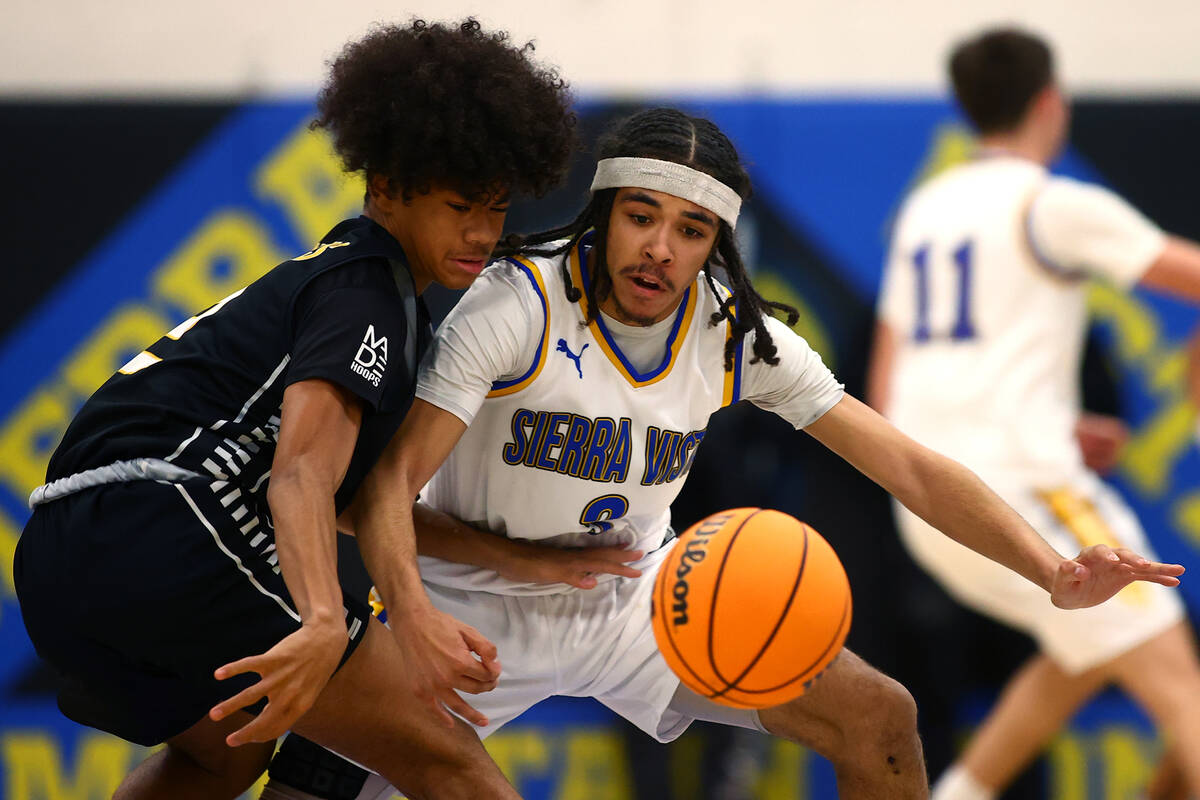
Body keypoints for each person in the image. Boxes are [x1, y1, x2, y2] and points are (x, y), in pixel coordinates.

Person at [264, 107, 1182, 800]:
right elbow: (382, 489)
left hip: (637, 598)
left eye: (691, 230)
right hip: (468, 614)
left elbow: (907, 464)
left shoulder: (731, 330)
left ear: (716, 245)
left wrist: (1052, 569)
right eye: (641, 217)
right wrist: (419, 615)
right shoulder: (518, 304)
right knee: (303, 789)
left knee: (881, 717)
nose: (660, 249)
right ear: (606, 212)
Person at [12, 18, 575, 800]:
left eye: (495, 209)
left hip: (61, 551)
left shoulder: (346, 286)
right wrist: (318, 616)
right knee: (448, 760)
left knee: (227, 757)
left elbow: (360, 503)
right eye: (458, 207)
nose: (481, 234)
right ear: (386, 188)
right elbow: (301, 473)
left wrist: (533, 562)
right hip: (169, 523)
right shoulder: (366, 290)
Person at [867, 27, 1200, 800]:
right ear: (1051, 103)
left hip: (929, 507)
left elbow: (887, 389)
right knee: (1177, 683)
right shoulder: (1053, 204)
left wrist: (1052, 419)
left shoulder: (924, 209)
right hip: (1025, 491)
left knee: (1080, 653)